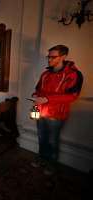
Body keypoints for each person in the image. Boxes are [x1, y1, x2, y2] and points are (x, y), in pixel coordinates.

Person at [31, 45, 83, 175]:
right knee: (41, 138)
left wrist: (48, 99)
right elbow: (38, 92)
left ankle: (52, 164)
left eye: (53, 57)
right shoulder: (45, 74)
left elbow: (72, 96)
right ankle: (41, 159)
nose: (49, 60)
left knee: (52, 140)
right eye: (48, 56)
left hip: (56, 116)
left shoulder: (74, 74)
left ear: (63, 56)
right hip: (41, 112)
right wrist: (34, 110)